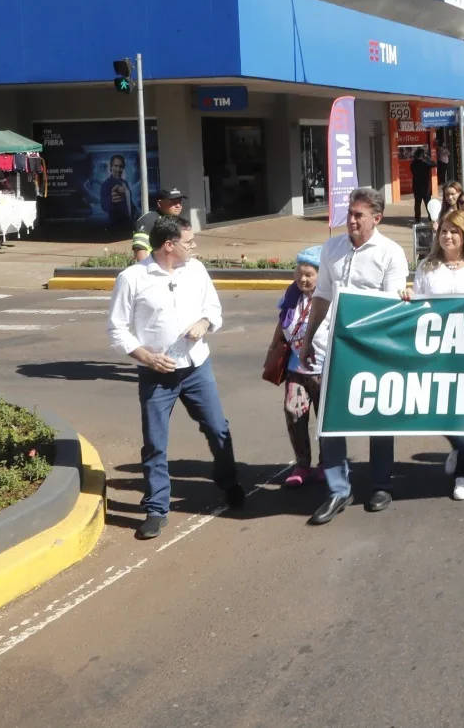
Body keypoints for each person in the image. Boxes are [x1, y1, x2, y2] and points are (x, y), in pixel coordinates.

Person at [108, 215, 244, 540]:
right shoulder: (132, 279)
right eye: (188, 242)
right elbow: (116, 329)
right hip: (157, 374)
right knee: (155, 443)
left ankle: (228, 480)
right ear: (169, 246)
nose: (193, 246)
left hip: (197, 367)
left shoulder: (195, 270)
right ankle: (156, 508)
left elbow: (214, 308)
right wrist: (147, 357)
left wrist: (205, 323)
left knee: (217, 428)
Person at [301, 187, 410, 525]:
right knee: (330, 419)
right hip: (334, 345)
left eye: (358, 215)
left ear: (376, 218)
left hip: (373, 347)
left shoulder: (391, 253)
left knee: (377, 415)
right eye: (349, 214)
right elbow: (321, 296)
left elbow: (391, 308)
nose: (351, 220)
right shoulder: (332, 248)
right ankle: (338, 489)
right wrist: (307, 339)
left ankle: (380, 484)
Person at [406, 210, 464, 498]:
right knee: (436, 410)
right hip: (436, 353)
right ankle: (459, 446)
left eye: (454, 232)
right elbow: (417, 308)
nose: (448, 236)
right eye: (443, 231)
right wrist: (408, 298)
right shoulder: (426, 267)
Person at [269, 245, 324, 487]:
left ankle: (328, 464)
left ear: (321, 275)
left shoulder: (330, 297)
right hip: (296, 367)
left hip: (325, 368)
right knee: (294, 414)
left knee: (325, 420)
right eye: (299, 273)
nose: (302, 278)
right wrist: (274, 345)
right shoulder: (292, 295)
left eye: (309, 274)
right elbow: (282, 322)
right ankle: (302, 464)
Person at [100, 153, 135, 233]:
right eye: (116, 166)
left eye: (121, 166)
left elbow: (129, 202)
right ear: (111, 167)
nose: (118, 169)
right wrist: (111, 200)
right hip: (116, 228)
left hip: (129, 225)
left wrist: (136, 214)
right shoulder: (106, 184)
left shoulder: (125, 183)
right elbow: (104, 207)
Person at [409, 149, 434, 222]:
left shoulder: (413, 163)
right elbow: (434, 164)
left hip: (416, 187)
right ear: (423, 155)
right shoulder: (425, 163)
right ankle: (430, 218)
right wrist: (428, 158)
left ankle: (417, 219)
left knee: (417, 204)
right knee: (428, 204)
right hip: (425, 187)